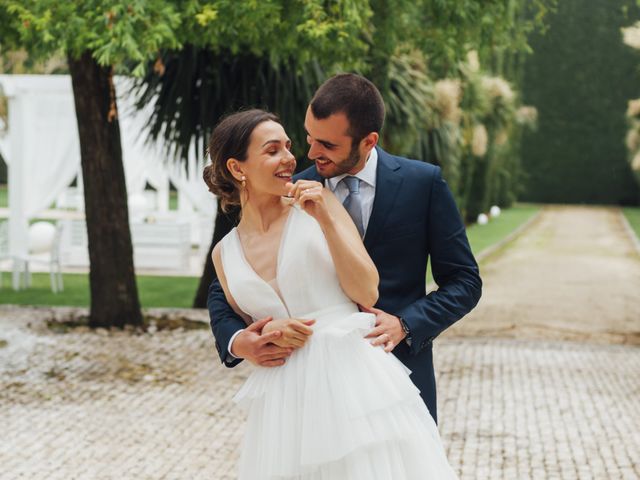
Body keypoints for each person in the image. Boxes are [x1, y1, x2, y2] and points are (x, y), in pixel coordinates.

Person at [207, 73, 482, 423]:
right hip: (307, 390)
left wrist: (406, 324)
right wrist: (237, 341)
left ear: (368, 141)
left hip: (400, 370)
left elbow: (465, 282)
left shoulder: (422, 184)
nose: (310, 153)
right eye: (308, 138)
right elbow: (228, 281)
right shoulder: (293, 191)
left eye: (328, 145)